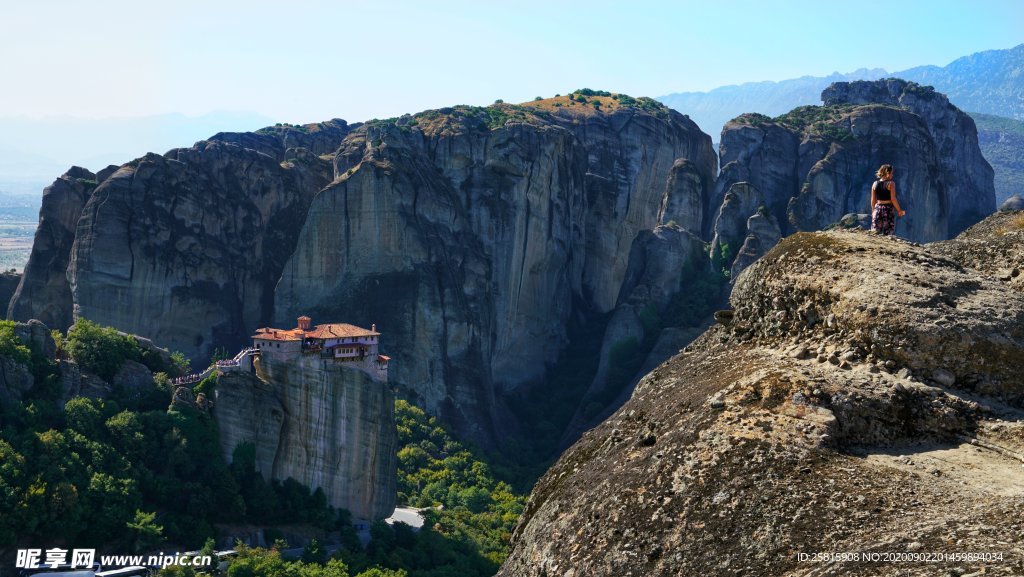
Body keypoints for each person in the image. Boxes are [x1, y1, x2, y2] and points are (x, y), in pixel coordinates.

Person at [870, 164, 905, 235]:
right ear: (887, 173)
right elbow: (893, 199)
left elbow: (873, 200)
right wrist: (899, 211)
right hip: (888, 209)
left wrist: (873, 211)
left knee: (874, 232)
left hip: (878, 208)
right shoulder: (891, 184)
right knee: (888, 232)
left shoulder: (874, 184)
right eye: (891, 173)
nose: (892, 175)